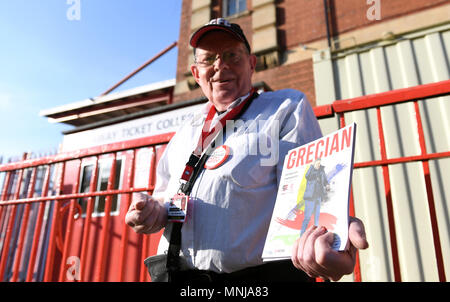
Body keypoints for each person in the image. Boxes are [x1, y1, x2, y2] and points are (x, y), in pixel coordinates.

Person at [125, 18, 369, 282]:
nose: (220, 65)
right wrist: (151, 211)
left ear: (251, 64)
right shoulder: (185, 131)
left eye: (232, 55)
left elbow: (310, 194)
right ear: (196, 74)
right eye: (209, 59)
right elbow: (164, 200)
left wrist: (332, 232)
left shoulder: (285, 107)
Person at [300, 158, 330, 236]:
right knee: (307, 217)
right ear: (314, 164)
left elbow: (325, 180)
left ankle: (316, 235)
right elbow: (307, 176)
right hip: (310, 197)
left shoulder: (322, 171)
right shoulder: (311, 171)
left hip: (318, 196)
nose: (318, 165)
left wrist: (327, 184)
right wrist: (312, 166)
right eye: (317, 163)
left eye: (319, 163)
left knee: (317, 218)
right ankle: (302, 235)